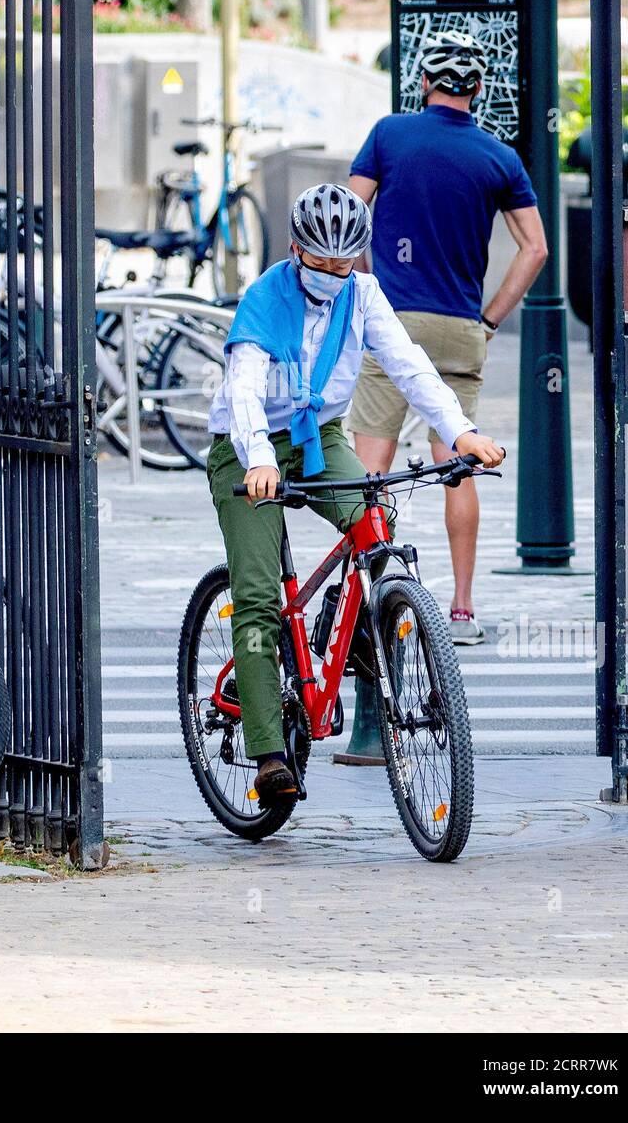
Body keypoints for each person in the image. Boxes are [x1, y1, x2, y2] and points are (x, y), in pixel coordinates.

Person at [206, 183, 504, 803]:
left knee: (376, 532)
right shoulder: (266, 297)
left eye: (345, 262)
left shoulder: (363, 295)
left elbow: (410, 365)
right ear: (296, 250)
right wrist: (260, 459)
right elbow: (243, 389)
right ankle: (267, 752)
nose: (333, 273)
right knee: (258, 595)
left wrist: (460, 431)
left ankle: (366, 638)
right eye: (321, 261)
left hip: (321, 438)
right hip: (248, 448)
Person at [348, 31, 548, 645]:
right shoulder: (499, 158)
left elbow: (346, 217)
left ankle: (365, 602)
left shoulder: (388, 135)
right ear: (479, 91)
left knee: (370, 468)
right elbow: (534, 248)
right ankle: (460, 611)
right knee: (456, 465)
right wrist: (488, 319)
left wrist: (363, 290)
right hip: (461, 329)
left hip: (392, 321)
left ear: (424, 82)